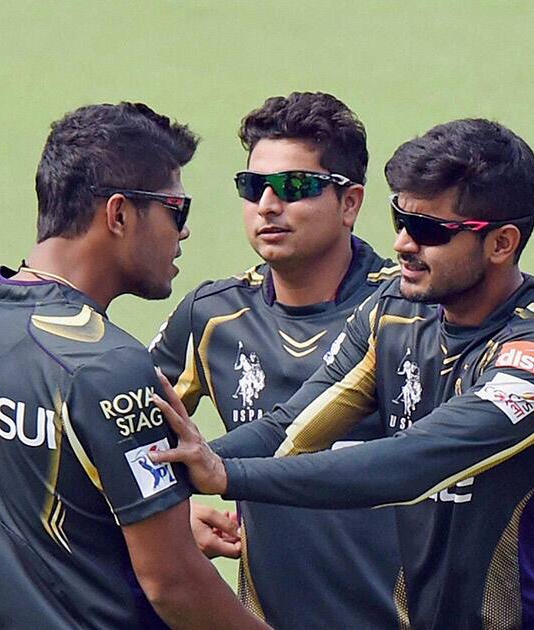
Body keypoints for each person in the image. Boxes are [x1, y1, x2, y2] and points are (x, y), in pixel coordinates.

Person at [152, 119, 534, 628]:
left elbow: (410, 466)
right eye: (401, 220)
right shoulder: (394, 313)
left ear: (502, 243)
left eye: (431, 230)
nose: (404, 245)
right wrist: (173, 467)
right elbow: (291, 431)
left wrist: (225, 475)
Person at [0, 102, 267, 629]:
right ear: (120, 214)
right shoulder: (109, 366)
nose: (185, 232)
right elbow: (172, 583)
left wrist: (141, 527)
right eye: (177, 208)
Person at [150, 92, 404, 627]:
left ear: (350, 203)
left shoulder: (408, 316)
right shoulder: (212, 316)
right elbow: (120, 432)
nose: (267, 204)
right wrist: (174, 516)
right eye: (252, 187)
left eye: (294, 187)